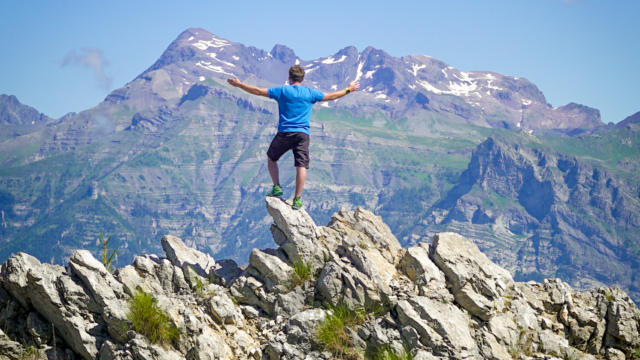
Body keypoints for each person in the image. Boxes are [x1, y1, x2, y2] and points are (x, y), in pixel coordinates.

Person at [227, 65, 359, 210]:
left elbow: (258, 91)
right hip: (302, 134)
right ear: (302, 78)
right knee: (301, 166)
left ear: (289, 78)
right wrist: (348, 89)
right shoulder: (310, 93)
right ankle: (297, 199)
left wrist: (239, 85)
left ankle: (277, 186)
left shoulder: (282, 91)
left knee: (271, 158)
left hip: (285, 132)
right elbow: (331, 96)